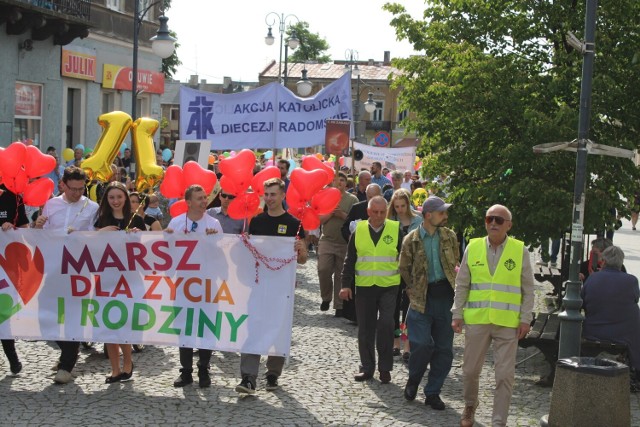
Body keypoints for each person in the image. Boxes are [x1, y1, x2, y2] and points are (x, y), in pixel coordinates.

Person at [451, 204, 534, 427]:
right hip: (477, 320)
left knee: (504, 375)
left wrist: (526, 318)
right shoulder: (473, 246)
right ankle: (470, 405)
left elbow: (528, 288)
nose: (494, 224)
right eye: (490, 219)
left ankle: (499, 421)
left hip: (508, 323)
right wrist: (457, 313)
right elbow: (462, 284)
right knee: (469, 371)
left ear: (509, 224)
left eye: (499, 220)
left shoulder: (520, 250)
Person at [236, 178, 307, 395]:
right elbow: (248, 255)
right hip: (257, 285)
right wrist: (245, 242)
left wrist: (301, 249)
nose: (269, 198)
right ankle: (248, 378)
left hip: (282, 288)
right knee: (253, 326)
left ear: (283, 196)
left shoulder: (295, 223)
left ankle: (273, 372)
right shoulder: (256, 221)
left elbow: (302, 260)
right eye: (266, 194)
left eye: (273, 194)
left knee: (279, 327)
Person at [34, 166, 100, 384]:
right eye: (73, 189)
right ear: (63, 184)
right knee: (44, 312)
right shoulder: (51, 204)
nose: (76, 193)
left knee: (72, 315)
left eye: (81, 189)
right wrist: (38, 225)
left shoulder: (92, 207)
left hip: (77, 269)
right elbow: (42, 236)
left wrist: (80, 235)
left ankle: (67, 365)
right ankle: (67, 351)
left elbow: (97, 237)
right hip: (53, 267)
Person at [399, 196, 459, 410]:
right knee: (422, 344)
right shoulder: (412, 239)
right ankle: (414, 379)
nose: (445, 216)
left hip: (445, 299)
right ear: (428, 215)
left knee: (444, 349)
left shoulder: (450, 236)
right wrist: (412, 287)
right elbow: (404, 267)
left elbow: (455, 263)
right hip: (421, 299)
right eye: (441, 212)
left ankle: (433, 392)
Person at [339, 196, 403, 384]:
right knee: (365, 329)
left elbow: (405, 259)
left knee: (386, 325)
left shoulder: (395, 229)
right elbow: (350, 259)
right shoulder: (358, 230)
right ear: (368, 212)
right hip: (365, 286)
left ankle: (385, 368)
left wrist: (409, 285)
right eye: (375, 212)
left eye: (382, 212)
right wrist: (344, 284)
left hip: (389, 286)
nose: (379, 215)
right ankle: (367, 367)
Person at [166, 184, 223, 388]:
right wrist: (167, 237)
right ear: (188, 202)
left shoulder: (214, 223)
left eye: (205, 197)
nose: (203, 201)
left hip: (207, 283)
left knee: (207, 326)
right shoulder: (177, 222)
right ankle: (186, 371)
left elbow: (221, 256)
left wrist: (214, 242)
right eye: (199, 198)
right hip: (184, 284)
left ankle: (204, 368)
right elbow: (169, 253)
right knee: (185, 326)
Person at [94, 182, 146, 383]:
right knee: (109, 323)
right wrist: (101, 232)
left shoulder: (137, 221)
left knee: (125, 322)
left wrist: (137, 237)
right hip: (106, 278)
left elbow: (148, 249)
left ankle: (128, 363)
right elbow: (89, 245)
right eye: (111, 198)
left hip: (130, 279)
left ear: (126, 198)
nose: (115, 201)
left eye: (119, 197)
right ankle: (115, 369)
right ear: (107, 200)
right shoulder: (101, 219)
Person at [581, 246, 640, 384]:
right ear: (621, 262)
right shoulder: (631, 281)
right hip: (625, 334)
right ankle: (636, 370)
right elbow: (635, 298)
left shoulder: (593, 278)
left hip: (595, 330)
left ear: (603, 261)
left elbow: (582, 302)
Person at [387, 189, 423, 359]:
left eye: (402, 206)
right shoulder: (390, 221)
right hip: (393, 268)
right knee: (394, 307)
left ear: (408, 204)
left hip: (412, 269)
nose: (400, 209)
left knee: (409, 307)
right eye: (397, 206)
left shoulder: (418, 220)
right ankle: (395, 341)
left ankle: (407, 343)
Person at [317, 171, 358, 317]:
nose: (339, 182)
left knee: (341, 274)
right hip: (327, 239)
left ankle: (339, 305)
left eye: (342, 180)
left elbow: (355, 223)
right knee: (323, 269)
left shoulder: (352, 199)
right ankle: (326, 298)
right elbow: (318, 220)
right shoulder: (325, 197)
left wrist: (342, 215)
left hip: (344, 243)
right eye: (336, 180)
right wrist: (330, 214)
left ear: (346, 183)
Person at [0, 184, 29, 375]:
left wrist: (13, 229)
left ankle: (12, 358)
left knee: (3, 313)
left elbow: (25, 228)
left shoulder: (13, 196)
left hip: (7, 267)